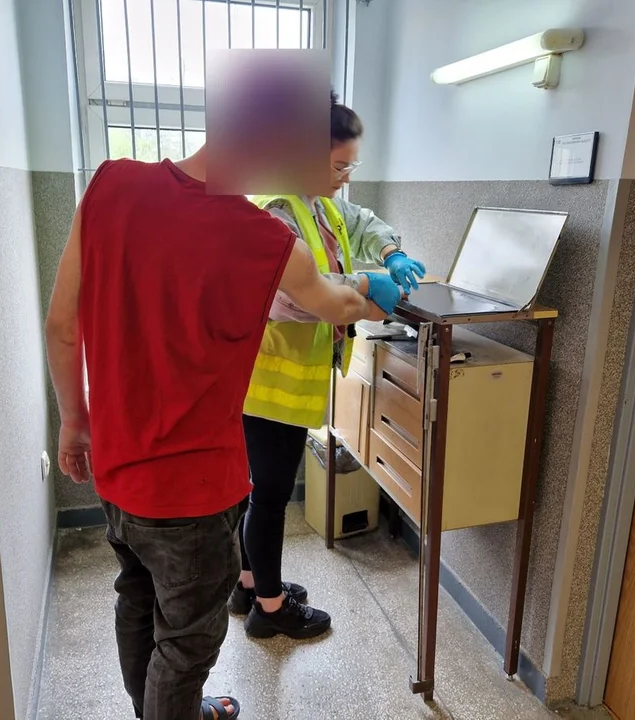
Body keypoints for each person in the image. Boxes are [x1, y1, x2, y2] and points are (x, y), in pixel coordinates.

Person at [44, 141, 403, 719]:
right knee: (185, 646)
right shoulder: (261, 235)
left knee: (138, 598)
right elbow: (336, 305)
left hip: (115, 467)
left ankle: (163, 710)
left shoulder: (110, 183)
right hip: (195, 492)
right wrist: (369, 290)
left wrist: (74, 424)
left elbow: (62, 326)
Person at [229, 92, 428, 640]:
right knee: (270, 495)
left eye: (351, 166)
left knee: (261, 490)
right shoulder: (275, 209)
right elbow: (296, 297)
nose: (345, 178)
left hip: (282, 381)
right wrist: (364, 288)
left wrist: (389, 253)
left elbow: (359, 221)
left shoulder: (315, 202)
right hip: (270, 381)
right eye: (339, 166)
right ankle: (270, 610)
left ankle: (249, 584)